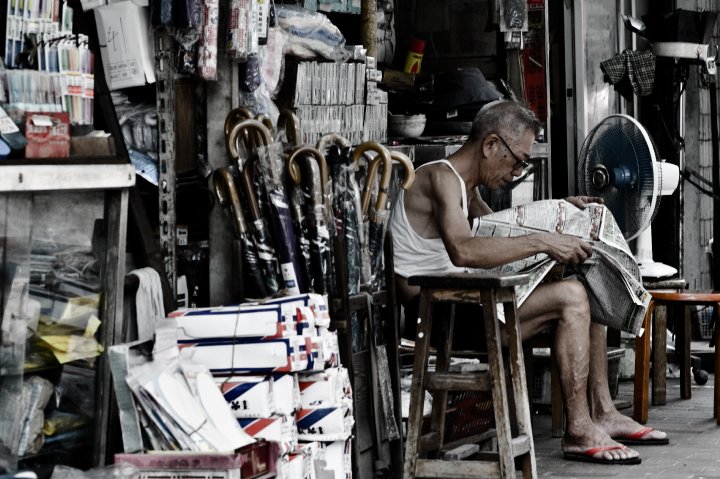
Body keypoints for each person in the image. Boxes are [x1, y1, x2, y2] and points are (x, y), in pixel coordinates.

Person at [388, 100, 668, 465]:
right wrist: (545, 241)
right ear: (490, 146)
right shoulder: (439, 177)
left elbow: (505, 233)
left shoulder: (465, 190)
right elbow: (464, 251)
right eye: (518, 160)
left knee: (590, 278)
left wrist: (561, 213)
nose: (518, 172)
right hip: (439, 315)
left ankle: (602, 411)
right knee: (571, 297)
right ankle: (579, 428)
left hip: (467, 302)